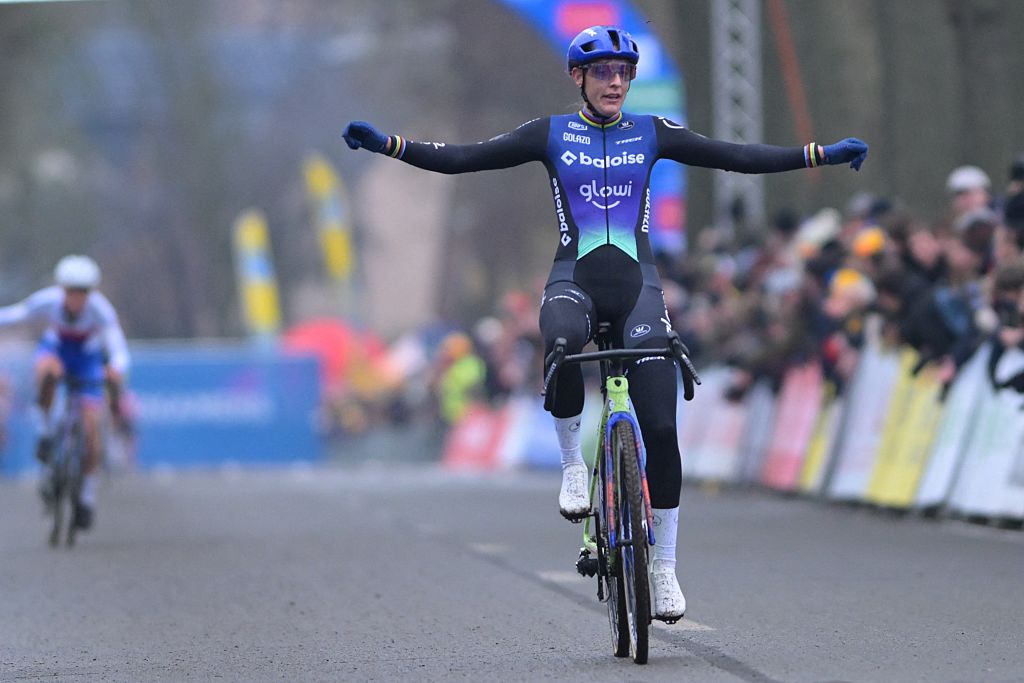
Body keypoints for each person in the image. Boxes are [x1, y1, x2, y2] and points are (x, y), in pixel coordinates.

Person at [342, 25, 868, 622]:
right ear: (579, 79)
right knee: (561, 340)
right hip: (576, 280)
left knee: (662, 430)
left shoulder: (652, 132)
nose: (615, 81)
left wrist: (818, 153)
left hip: (639, 291)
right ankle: (573, 466)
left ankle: (664, 566)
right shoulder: (550, 133)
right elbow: (466, 159)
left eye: (623, 72)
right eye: (602, 72)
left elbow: (736, 156)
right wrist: (390, 145)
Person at [0, 255, 130, 531]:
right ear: (62, 290)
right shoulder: (47, 302)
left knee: (92, 435)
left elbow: (118, 349)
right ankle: (46, 431)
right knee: (46, 371)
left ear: (90, 292)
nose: (76, 298)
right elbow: (16, 315)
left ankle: (86, 497)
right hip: (56, 352)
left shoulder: (101, 311)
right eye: (71, 291)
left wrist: (115, 369)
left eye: (83, 292)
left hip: (87, 361)